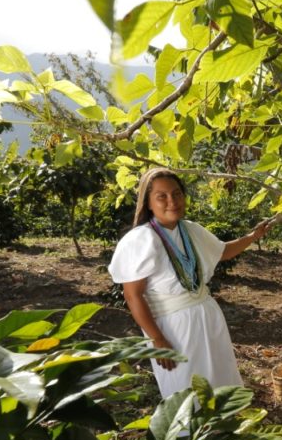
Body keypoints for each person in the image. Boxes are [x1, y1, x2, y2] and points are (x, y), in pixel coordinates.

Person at [108, 167, 270, 398]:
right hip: (172, 327)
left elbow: (222, 251)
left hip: (207, 317)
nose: (171, 201)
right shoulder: (140, 240)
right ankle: (188, 434)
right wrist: (158, 338)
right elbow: (133, 295)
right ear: (148, 203)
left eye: (177, 194)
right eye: (161, 196)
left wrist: (253, 237)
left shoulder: (191, 230)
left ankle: (224, 432)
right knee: (184, 389)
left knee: (219, 382)